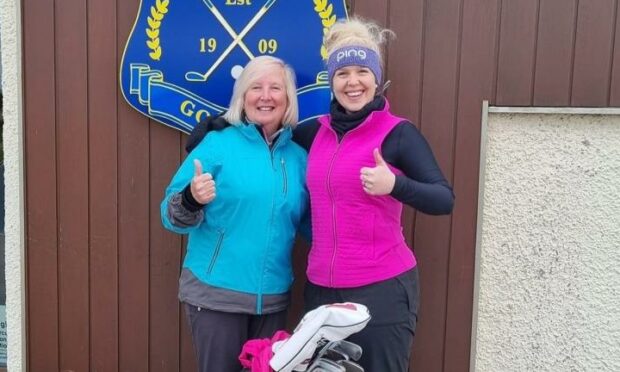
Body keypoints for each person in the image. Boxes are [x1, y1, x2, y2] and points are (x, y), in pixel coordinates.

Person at [292, 18, 455, 371]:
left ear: (376, 78)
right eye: (342, 73)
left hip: (381, 290)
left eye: (362, 71)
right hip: (321, 291)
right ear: (331, 81)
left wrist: (394, 185)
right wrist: (217, 129)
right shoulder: (312, 133)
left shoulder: (398, 134)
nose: (353, 82)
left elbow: (444, 199)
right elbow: (265, 136)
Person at [160, 55, 309, 372]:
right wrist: (191, 198)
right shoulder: (216, 145)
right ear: (243, 97)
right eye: (256, 87)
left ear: (288, 99)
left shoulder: (298, 158)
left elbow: (311, 222)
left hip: (272, 300)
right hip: (217, 297)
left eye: (275, 88)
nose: (265, 96)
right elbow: (170, 214)